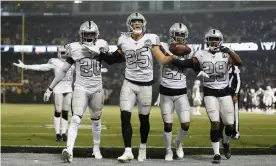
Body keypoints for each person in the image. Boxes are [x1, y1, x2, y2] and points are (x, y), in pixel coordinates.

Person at [96, 12, 174, 162]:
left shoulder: (151, 39)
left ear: (143, 24)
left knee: (144, 119)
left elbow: (162, 60)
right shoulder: (123, 40)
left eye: (139, 22)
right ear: (129, 25)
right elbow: (114, 59)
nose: (137, 24)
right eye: (134, 22)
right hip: (129, 82)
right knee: (125, 116)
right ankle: (128, 150)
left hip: (145, 85)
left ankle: (143, 148)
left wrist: (175, 57)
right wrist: (101, 54)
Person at [168, 29, 242, 163]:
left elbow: (239, 63)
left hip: (224, 92)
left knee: (230, 126)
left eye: (216, 39)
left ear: (221, 41)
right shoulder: (201, 53)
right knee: (215, 123)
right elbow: (188, 64)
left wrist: (231, 51)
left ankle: (225, 143)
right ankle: (216, 153)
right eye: (212, 39)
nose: (214, 41)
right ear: (207, 41)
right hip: (210, 92)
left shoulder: (226, 54)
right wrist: (171, 58)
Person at [43, 21, 109, 162]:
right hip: (81, 88)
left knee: (96, 121)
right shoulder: (74, 48)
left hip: (97, 89)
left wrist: (98, 51)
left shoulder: (102, 43)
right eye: (87, 34)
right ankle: (69, 150)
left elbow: (108, 54)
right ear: (81, 35)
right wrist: (50, 87)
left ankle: (96, 148)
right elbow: (62, 71)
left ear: (96, 35)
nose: (90, 36)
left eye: (92, 33)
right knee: (75, 118)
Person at [13, 46, 74, 142]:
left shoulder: (72, 61)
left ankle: (64, 133)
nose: (64, 55)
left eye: (65, 53)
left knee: (66, 112)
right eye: (62, 53)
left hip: (69, 89)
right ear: (58, 53)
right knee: (58, 111)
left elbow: (83, 70)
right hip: (58, 89)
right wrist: (25, 66)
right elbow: (40, 67)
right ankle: (58, 134)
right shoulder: (55, 62)